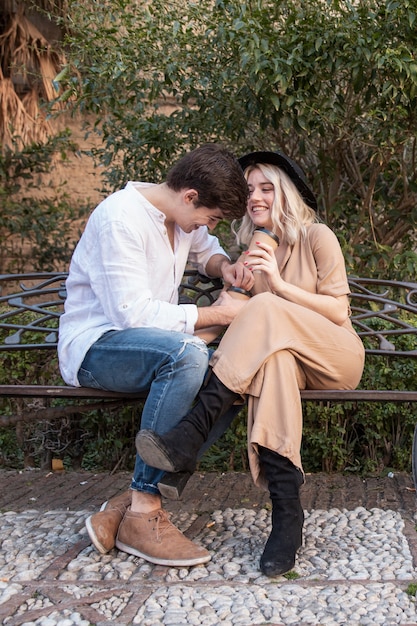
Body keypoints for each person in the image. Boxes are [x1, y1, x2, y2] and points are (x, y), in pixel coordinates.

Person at [136, 149, 365, 577]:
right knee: (272, 360)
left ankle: (191, 433)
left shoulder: (318, 237)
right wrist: (173, 346)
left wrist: (276, 285)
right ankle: (287, 515)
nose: (255, 197)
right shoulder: (251, 253)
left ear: (285, 194)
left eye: (266, 188)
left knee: (264, 309)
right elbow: (227, 317)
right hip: (288, 364)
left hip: (336, 355)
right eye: (250, 190)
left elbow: (337, 311)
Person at [57, 143, 255, 567]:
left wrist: (225, 268)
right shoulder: (120, 219)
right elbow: (131, 315)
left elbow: (208, 250)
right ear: (189, 196)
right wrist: (219, 312)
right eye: (211, 215)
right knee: (186, 354)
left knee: (233, 377)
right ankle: (145, 514)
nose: (208, 224)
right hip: (97, 345)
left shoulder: (182, 219)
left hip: (153, 348)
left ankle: (129, 501)